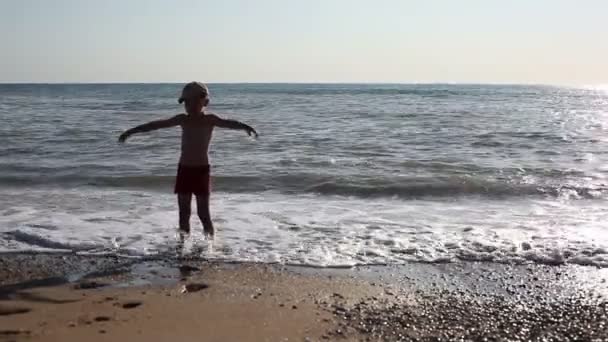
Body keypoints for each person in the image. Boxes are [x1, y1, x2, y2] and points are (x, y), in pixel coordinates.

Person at [118, 82, 257, 238]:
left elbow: (229, 123)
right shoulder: (182, 119)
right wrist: (131, 132)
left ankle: (210, 247)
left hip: (202, 170)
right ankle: (182, 246)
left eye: (193, 101)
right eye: (186, 102)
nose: (188, 105)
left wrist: (246, 127)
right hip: (184, 169)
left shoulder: (210, 119)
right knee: (184, 213)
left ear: (205, 102)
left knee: (204, 213)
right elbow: (155, 125)